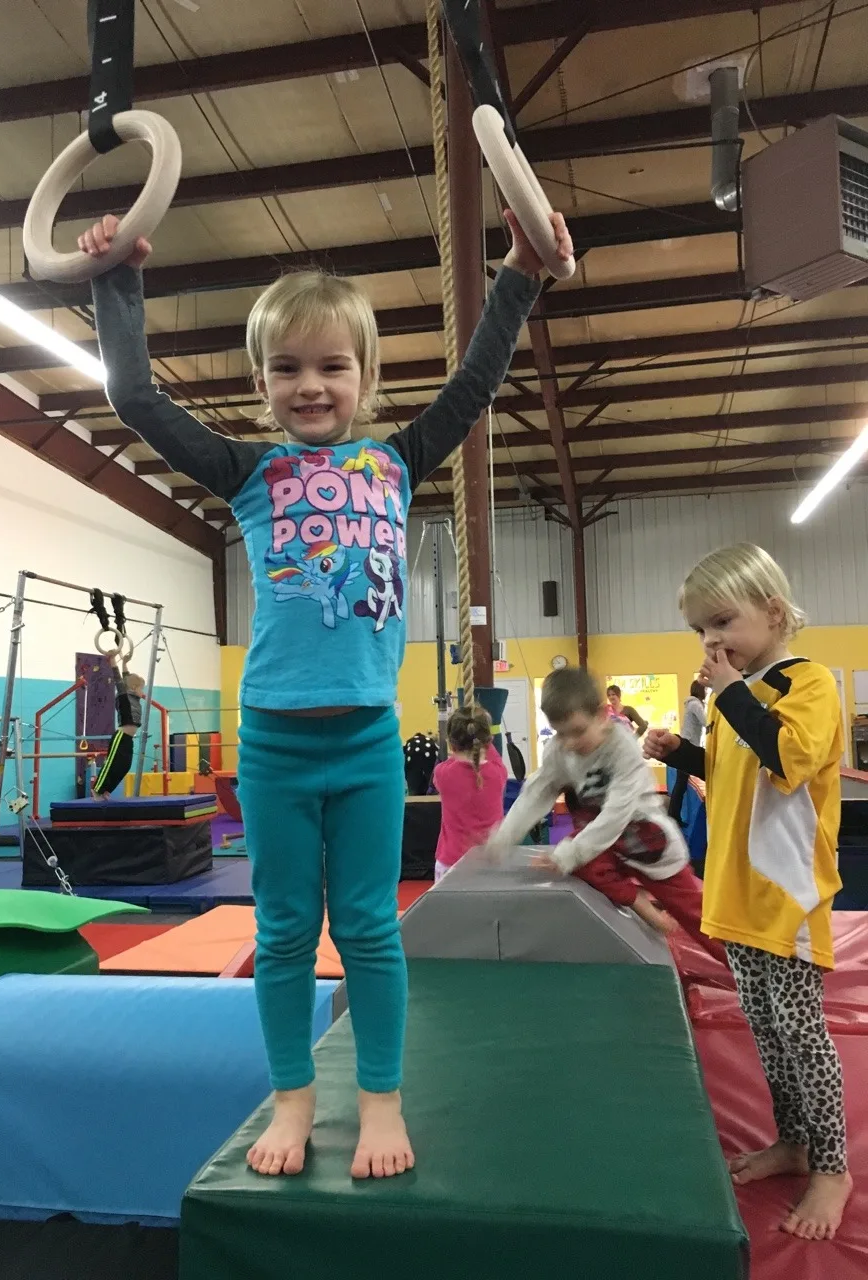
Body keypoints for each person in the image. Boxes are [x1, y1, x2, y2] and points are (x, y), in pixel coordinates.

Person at [81, 207, 573, 1181]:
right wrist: (117, 281)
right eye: (288, 369)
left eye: (332, 366)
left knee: (370, 926)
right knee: (283, 929)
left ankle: (380, 1098)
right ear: (263, 385)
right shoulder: (249, 469)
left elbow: (475, 383)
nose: (311, 385)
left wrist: (519, 270)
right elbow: (136, 399)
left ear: (365, 376)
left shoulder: (394, 460)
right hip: (271, 741)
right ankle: (296, 1097)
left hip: (362, 743)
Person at [644, 543, 850, 1241]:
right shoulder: (741, 699)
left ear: (772, 611)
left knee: (804, 1033)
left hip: (785, 895)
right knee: (766, 1032)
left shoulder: (809, 683)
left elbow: (787, 760)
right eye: (700, 631)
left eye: (722, 622)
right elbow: (737, 776)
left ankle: (832, 1166)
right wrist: (683, 754)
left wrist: (727, 692)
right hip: (735, 897)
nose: (710, 642)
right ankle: (793, 1140)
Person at [487, 667, 724, 960]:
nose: (570, 742)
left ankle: (744, 972)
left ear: (602, 715)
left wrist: (570, 854)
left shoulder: (621, 747)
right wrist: (505, 836)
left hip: (646, 840)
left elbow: (616, 814)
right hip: (603, 845)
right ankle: (636, 900)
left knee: (697, 916)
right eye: (561, 734)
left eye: (578, 731)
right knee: (568, 861)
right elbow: (537, 793)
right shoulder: (560, 750)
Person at [432, 705, 507, 882]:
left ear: (451, 744)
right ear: (489, 741)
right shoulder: (498, 773)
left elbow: (455, 763)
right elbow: (490, 752)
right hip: (488, 864)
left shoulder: (442, 774)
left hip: (451, 863)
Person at [92, 648, 145, 799]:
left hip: (128, 739)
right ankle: (97, 789)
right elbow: (118, 678)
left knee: (125, 766)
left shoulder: (135, 698)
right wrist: (113, 659)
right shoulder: (123, 696)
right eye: (142, 688)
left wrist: (126, 663)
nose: (143, 692)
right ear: (134, 688)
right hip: (120, 737)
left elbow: (127, 678)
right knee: (111, 765)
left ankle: (106, 789)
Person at [667, 680, 707, 821]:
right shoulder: (695, 704)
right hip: (689, 743)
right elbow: (706, 721)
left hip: (688, 741)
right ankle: (673, 815)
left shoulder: (691, 704)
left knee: (681, 783)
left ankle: (674, 814)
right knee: (681, 783)